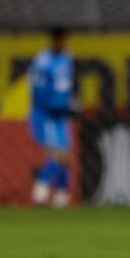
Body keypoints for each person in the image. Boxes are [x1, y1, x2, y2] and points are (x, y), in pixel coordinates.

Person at [29, 27, 76, 208]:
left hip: (61, 114)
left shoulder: (67, 59)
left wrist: (70, 103)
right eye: (63, 40)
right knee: (58, 155)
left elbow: (67, 87)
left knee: (65, 155)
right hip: (45, 114)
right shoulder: (42, 61)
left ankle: (61, 196)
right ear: (55, 40)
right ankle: (40, 190)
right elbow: (37, 90)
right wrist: (53, 105)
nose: (65, 44)